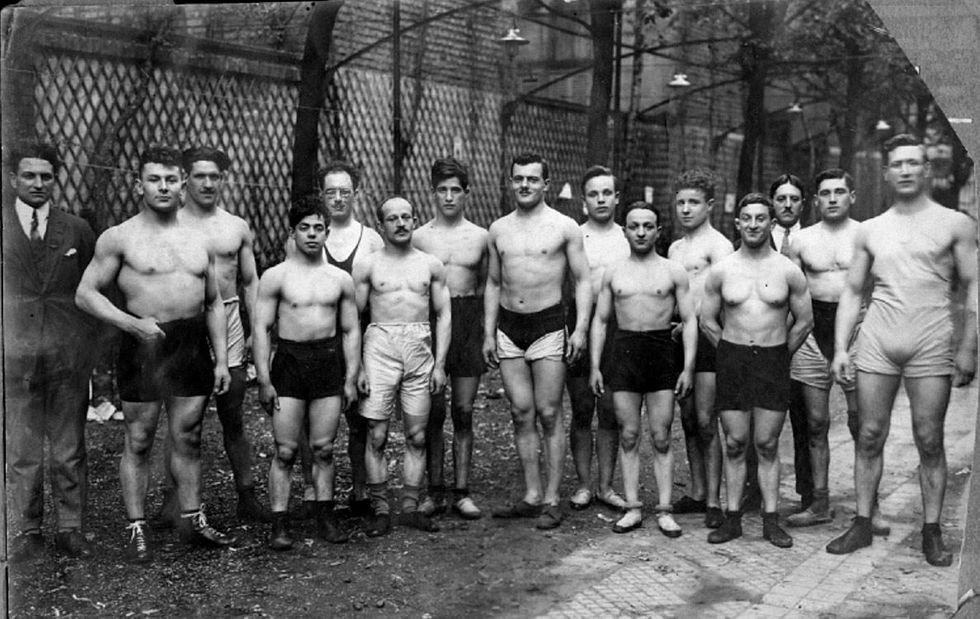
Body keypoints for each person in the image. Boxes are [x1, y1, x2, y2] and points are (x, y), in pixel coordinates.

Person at [75, 146, 236, 562]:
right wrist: (132, 324)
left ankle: (192, 518)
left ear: (182, 184)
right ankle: (136, 527)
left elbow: (214, 302)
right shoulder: (120, 237)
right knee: (140, 438)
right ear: (138, 185)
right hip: (142, 344)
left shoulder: (200, 239)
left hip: (190, 345)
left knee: (189, 437)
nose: (163, 187)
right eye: (154, 180)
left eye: (170, 180)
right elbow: (85, 294)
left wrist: (220, 359)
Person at [826, 134, 977, 566]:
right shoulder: (871, 230)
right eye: (898, 164)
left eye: (914, 162)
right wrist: (841, 348)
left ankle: (932, 531)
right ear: (887, 172)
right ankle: (860, 523)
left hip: (931, 340)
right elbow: (853, 291)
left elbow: (973, 286)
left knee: (929, 439)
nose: (907, 170)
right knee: (869, 434)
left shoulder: (955, 224)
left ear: (926, 168)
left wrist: (968, 346)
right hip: (878, 340)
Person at [153, 147, 269, 529]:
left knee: (233, 411)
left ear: (223, 180)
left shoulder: (235, 226)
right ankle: (176, 500)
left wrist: (255, 331)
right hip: (186, 324)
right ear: (185, 179)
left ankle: (247, 493)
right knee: (183, 420)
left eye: (214, 176)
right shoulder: (170, 224)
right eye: (199, 175)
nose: (207, 183)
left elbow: (250, 280)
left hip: (231, 319)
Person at [484, 152, 591, 531]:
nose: (524, 185)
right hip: (509, 326)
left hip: (548, 324)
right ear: (510, 182)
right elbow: (494, 282)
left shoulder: (565, 227)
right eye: (518, 179)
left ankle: (551, 498)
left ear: (546, 184)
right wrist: (488, 332)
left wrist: (579, 330)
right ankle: (531, 494)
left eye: (532, 179)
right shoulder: (498, 229)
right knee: (520, 412)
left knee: (549, 412)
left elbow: (584, 280)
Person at [700, 193, 813, 549]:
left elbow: (805, 322)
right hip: (733, 360)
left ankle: (770, 519)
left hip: (772, 361)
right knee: (735, 443)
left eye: (760, 218)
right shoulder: (722, 270)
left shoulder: (787, 271)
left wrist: (778, 357)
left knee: (766, 444)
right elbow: (707, 321)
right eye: (746, 218)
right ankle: (732, 520)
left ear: (771, 222)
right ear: (737, 223)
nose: (752, 225)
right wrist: (732, 355)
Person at [4, 142, 97, 560]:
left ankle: (71, 527)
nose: (38, 183)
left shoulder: (76, 230)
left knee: (68, 446)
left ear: (54, 179)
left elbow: (96, 293)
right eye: (29, 175)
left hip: (67, 354)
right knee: (22, 449)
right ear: (13, 179)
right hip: (15, 355)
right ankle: (27, 528)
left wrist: (90, 355)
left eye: (45, 176)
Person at [252, 196, 361, 550]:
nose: (312, 234)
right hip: (290, 364)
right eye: (305, 228)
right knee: (284, 450)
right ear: (293, 232)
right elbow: (261, 328)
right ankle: (280, 523)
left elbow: (350, 330)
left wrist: (350, 377)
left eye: (318, 228)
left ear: (327, 232)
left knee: (324, 448)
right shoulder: (275, 277)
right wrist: (265, 380)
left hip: (327, 363)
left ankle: (325, 516)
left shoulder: (340, 279)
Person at [784, 168, 887, 533]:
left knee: (863, 425)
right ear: (815, 200)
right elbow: (792, 297)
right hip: (814, 334)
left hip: (858, 331)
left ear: (852, 197)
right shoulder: (801, 242)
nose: (831, 198)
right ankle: (820, 502)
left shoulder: (867, 236)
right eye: (825, 193)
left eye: (839, 192)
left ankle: (869, 507)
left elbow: (883, 287)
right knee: (815, 423)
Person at [590, 202, 696, 536]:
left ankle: (664, 509)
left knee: (662, 435)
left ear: (658, 231)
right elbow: (601, 320)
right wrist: (595, 365)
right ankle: (633, 507)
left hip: (661, 352)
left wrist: (688, 368)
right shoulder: (614, 272)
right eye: (634, 226)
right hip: (624, 354)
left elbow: (691, 320)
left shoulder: (672, 271)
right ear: (625, 231)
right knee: (630, 433)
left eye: (647, 226)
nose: (640, 232)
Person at [287, 161, 384, 519]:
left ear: (356, 194)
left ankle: (360, 489)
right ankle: (314, 489)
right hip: (318, 337)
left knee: (360, 415)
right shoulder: (304, 236)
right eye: (331, 192)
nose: (338, 198)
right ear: (322, 194)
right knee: (310, 419)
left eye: (345, 191)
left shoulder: (371, 239)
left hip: (359, 335)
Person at [353, 196, 451, 536]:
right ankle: (380, 507)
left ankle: (409, 506)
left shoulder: (431, 265)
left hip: (419, 347)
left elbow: (443, 313)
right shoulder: (367, 265)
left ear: (414, 219)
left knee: (417, 434)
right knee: (376, 434)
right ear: (381, 225)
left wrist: (439, 364)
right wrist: (358, 368)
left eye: (406, 216)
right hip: (379, 345)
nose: (400, 223)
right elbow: (353, 318)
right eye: (392, 218)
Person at [412, 157, 487, 520]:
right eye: (442, 190)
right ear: (433, 193)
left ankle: (462, 491)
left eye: (455, 189)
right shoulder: (419, 237)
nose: (448, 196)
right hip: (432, 323)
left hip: (469, 322)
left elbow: (489, 287)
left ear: (466, 193)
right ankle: (434, 491)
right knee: (433, 412)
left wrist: (487, 334)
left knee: (464, 410)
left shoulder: (480, 237)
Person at [666, 169, 732, 528]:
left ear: (709, 205)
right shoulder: (675, 247)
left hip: (707, 338)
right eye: (680, 202)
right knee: (688, 418)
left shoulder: (719, 246)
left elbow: (721, 296)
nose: (686, 209)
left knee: (707, 420)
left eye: (693, 202)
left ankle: (715, 501)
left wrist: (698, 323)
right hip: (679, 336)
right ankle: (697, 490)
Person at [564, 165, 629, 513]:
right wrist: (572, 329)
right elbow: (565, 285)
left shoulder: (627, 235)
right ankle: (584, 485)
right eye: (594, 193)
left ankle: (606, 485)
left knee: (610, 410)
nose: (601, 199)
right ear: (584, 200)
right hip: (581, 326)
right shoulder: (574, 236)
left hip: (619, 330)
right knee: (581, 409)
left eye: (607, 192)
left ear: (617, 197)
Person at [768, 173, 813, 513]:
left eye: (793, 199)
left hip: (800, 344)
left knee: (805, 419)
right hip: (761, 344)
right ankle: (756, 494)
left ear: (803, 203)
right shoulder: (755, 236)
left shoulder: (811, 242)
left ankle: (808, 493)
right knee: (760, 421)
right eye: (781, 198)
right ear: (772, 202)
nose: (786, 204)